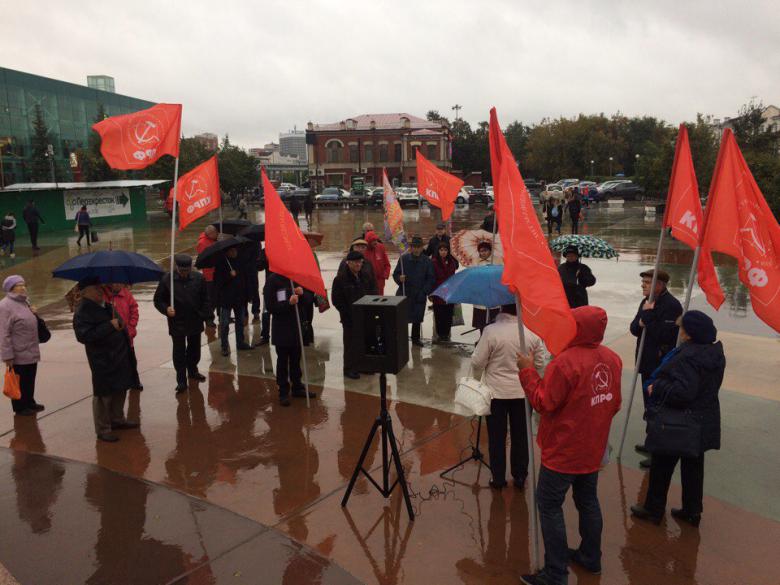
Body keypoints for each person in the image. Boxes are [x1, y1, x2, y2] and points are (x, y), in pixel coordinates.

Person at [517, 306, 622, 585]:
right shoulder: (612, 359)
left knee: (549, 504)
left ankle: (555, 573)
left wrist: (528, 372)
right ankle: (590, 556)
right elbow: (614, 403)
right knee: (588, 501)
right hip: (593, 448)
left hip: (564, 451)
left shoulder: (564, 363)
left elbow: (543, 402)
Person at [630, 311, 725, 527]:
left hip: (678, 423)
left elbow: (684, 392)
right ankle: (692, 511)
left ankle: (653, 510)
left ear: (690, 334)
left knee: (662, 465)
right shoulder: (714, 352)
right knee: (693, 468)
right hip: (703, 419)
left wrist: (658, 387)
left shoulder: (688, 356)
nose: (679, 332)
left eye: (682, 328)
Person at [472, 303, 545, 489]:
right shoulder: (530, 332)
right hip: (523, 393)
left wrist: (480, 375)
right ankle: (520, 476)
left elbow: (477, 362)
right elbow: (540, 362)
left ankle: (497, 477)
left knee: (497, 437)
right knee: (521, 436)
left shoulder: (491, 331)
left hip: (496, 394)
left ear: (501, 309)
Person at [73, 276, 138, 442]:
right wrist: (109, 325)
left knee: (120, 388)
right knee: (104, 394)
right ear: (85, 292)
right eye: (96, 288)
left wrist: (122, 325)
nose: (100, 291)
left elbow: (120, 323)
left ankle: (117, 419)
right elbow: (84, 335)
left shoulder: (107, 305)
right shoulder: (82, 311)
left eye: (100, 288)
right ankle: (103, 429)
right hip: (102, 358)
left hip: (119, 354)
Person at [630, 268, 683, 467]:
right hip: (645, 361)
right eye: (643, 282)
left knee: (658, 407)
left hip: (660, 365)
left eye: (646, 282)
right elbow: (634, 328)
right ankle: (651, 441)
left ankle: (658, 451)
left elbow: (666, 335)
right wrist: (643, 319)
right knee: (649, 405)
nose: (642, 285)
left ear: (659, 285)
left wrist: (648, 318)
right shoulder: (646, 302)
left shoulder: (671, 305)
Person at [153, 255, 210, 393]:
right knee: (179, 352)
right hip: (177, 322)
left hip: (195, 320)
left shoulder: (198, 278)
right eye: (182, 271)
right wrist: (166, 309)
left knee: (194, 349)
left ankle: (192, 371)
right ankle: (181, 380)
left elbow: (206, 299)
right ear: (177, 268)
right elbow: (158, 300)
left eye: (187, 270)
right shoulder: (167, 280)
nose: (184, 273)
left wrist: (202, 314)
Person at [263, 272, 316, 406]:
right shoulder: (273, 281)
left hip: (297, 327)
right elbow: (270, 306)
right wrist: (288, 303)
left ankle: (297, 386)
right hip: (282, 328)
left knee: (296, 359)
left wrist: (302, 294)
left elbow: (309, 300)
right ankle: (283, 391)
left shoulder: (297, 277)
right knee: (282, 361)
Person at [0, 275, 44, 415]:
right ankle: (20, 406)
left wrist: (35, 314)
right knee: (20, 380)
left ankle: (29, 401)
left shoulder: (25, 302)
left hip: (31, 348)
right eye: (20, 285)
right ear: (11, 288)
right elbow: (3, 332)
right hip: (17, 351)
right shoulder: (5, 306)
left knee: (30, 377)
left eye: (24, 284)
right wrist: (7, 355)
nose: (23, 287)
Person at [331, 250, 377, 379]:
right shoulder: (340, 279)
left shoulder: (365, 276)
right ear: (348, 263)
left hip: (365, 316)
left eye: (360, 262)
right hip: (349, 317)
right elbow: (336, 300)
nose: (358, 265)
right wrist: (346, 314)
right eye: (356, 262)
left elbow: (373, 291)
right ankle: (349, 368)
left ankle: (363, 366)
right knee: (351, 343)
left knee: (365, 342)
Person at [392, 235, 435, 346]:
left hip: (419, 294)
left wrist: (424, 292)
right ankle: (401, 337)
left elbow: (430, 279)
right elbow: (396, 274)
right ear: (411, 247)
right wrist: (399, 279)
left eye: (418, 247)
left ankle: (415, 339)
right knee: (402, 317)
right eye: (414, 247)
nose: (416, 249)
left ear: (422, 248)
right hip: (404, 292)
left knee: (417, 317)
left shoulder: (427, 261)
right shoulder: (404, 259)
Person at [103, 283, 142, 391]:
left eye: (119, 282)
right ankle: (118, 382)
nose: (117, 285)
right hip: (112, 336)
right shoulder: (104, 296)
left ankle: (135, 381)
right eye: (114, 282)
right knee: (115, 361)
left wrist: (131, 327)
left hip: (127, 334)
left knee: (131, 360)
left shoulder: (127, 294)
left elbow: (134, 311)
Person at [214, 247, 252, 356]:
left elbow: (246, 279)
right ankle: (224, 346)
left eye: (235, 250)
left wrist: (249, 295)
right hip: (226, 300)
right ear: (227, 252)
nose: (234, 252)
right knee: (224, 323)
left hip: (240, 298)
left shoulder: (241, 262)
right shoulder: (221, 264)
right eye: (231, 251)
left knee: (240, 322)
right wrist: (228, 276)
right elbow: (217, 282)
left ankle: (240, 342)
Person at [430, 243, 459, 342]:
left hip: (449, 291)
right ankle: (440, 335)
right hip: (438, 291)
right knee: (439, 314)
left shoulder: (452, 262)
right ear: (438, 251)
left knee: (448, 314)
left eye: (445, 250)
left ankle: (446, 335)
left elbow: (454, 275)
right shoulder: (433, 262)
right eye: (441, 250)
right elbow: (431, 278)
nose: (443, 252)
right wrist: (431, 292)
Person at [472, 241, 501, 333]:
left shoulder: (497, 260)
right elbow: (472, 276)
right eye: (481, 251)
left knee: (494, 323)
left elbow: (501, 275)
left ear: (490, 251)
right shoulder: (475, 261)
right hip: (480, 295)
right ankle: (483, 339)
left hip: (494, 294)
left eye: (485, 250)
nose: (483, 253)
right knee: (481, 322)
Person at [196, 225, 219, 328]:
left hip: (218, 273)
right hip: (209, 275)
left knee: (219, 297)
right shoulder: (202, 243)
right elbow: (204, 260)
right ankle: (209, 318)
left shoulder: (215, 239)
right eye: (214, 233)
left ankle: (220, 315)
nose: (216, 234)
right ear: (209, 234)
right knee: (211, 299)